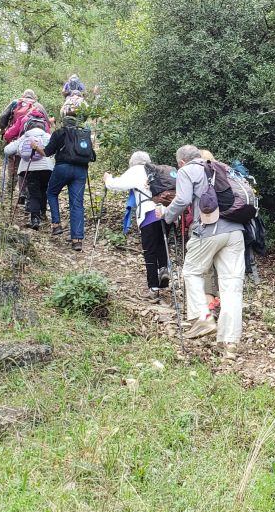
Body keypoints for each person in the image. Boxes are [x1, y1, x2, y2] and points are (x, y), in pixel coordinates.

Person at [156, 144, 245, 354]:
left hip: (208, 230)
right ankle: (229, 343)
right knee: (231, 286)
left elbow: (183, 199)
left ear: (181, 163)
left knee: (191, 271)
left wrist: (167, 215)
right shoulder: (221, 167)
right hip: (235, 231)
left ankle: (203, 317)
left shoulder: (188, 170)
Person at [103, 152, 170, 300]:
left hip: (149, 214)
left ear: (133, 162)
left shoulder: (136, 170)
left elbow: (116, 185)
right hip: (166, 212)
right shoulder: (157, 169)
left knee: (150, 251)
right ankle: (164, 268)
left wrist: (108, 179)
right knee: (161, 244)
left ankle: (153, 288)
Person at [43, 115, 93, 251]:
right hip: (81, 171)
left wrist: (36, 147)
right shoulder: (83, 134)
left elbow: (47, 152)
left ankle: (56, 224)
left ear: (63, 123)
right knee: (77, 204)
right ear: (75, 124)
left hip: (62, 168)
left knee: (52, 193)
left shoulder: (59, 133)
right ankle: (77, 240)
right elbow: (91, 154)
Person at [4, 120, 53, 230]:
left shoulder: (24, 137)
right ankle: (43, 213)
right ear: (43, 127)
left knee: (33, 194)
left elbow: (7, 150)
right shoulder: (47, 136)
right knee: (44, 190)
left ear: (28, 127)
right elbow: (54, 150)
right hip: (47, 168)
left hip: (29, 168)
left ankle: (35, 219)